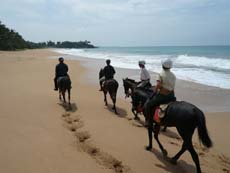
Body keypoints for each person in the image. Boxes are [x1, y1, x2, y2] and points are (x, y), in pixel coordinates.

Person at [145, 58, 176, 125]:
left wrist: (153, 93)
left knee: (149, 104)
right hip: (171, 95)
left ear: (162, 65)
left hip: (163, 96)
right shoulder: (173, 75)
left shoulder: (161, 74)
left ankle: (148, 120)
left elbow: (158, 85)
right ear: (170, 66)